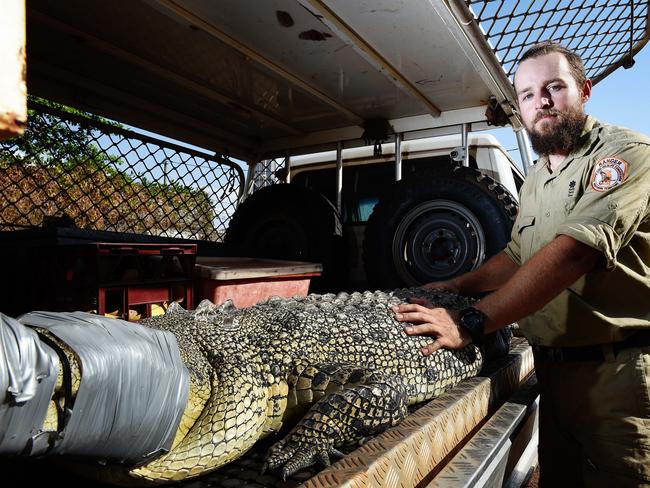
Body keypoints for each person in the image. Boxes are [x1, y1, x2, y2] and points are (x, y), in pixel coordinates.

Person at [392, 41, 650, 487]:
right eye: (528, 94)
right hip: (551, 372)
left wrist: (472, 321)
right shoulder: (537, 176)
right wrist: (458, 284)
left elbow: (574, 252)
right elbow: (517, 256)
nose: (541, 102)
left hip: (616, 378)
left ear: (585, 90)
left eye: (554, 87)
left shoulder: (624, 153)